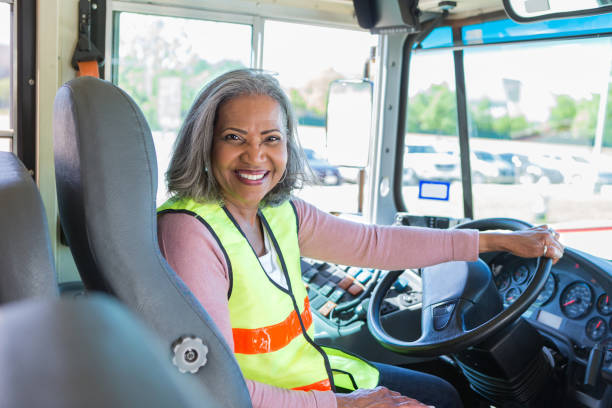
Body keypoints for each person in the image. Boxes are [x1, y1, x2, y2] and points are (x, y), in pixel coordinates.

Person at [157, 69, 564, 408]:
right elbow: (210, 385)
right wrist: (344, 405)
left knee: (442, 391)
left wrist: (493, 241)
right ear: (204, 143)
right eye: (234, 137)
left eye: (271, 138)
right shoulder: (190, 232)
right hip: (261, 400)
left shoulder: (278, 212)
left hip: (308, 378)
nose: (255, 156)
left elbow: (375, 244)